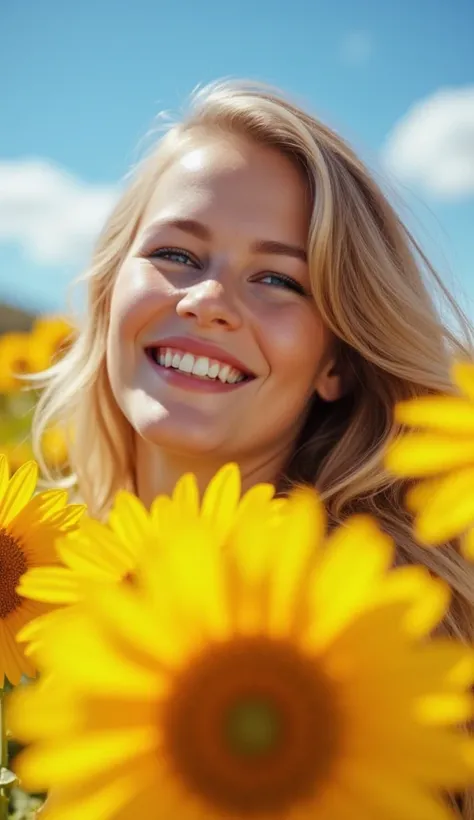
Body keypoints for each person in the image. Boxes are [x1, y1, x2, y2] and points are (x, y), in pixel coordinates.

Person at [31, 80, 473, 817]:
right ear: (108, 296)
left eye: (276, 278)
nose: (206, 300)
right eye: (176, 252)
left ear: (336, 360)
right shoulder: (43, 586)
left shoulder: (384, 646)